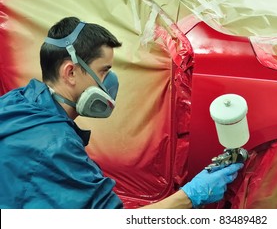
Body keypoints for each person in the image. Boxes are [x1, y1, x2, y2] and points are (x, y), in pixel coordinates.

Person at [0, 17, 243, 209]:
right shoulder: (56, 147)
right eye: (104, 71)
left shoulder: (15, 103)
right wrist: (190, 196)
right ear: (70, 72)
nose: (109, 83)